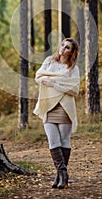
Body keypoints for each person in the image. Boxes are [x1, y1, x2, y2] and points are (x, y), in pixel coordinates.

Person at [33, 38, 80, 189]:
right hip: (48, 106)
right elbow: (38, 76)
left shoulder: (73, 68)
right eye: (62, 45)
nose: (63, 48)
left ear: (71, 52)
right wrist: (48, 80)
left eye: (67, 47)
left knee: (64, 140)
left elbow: (74, 90)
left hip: (64, 107)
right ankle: (63, 173)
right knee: (53, 141)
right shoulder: (49, 61)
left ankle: (60, 176)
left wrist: (53, 83)